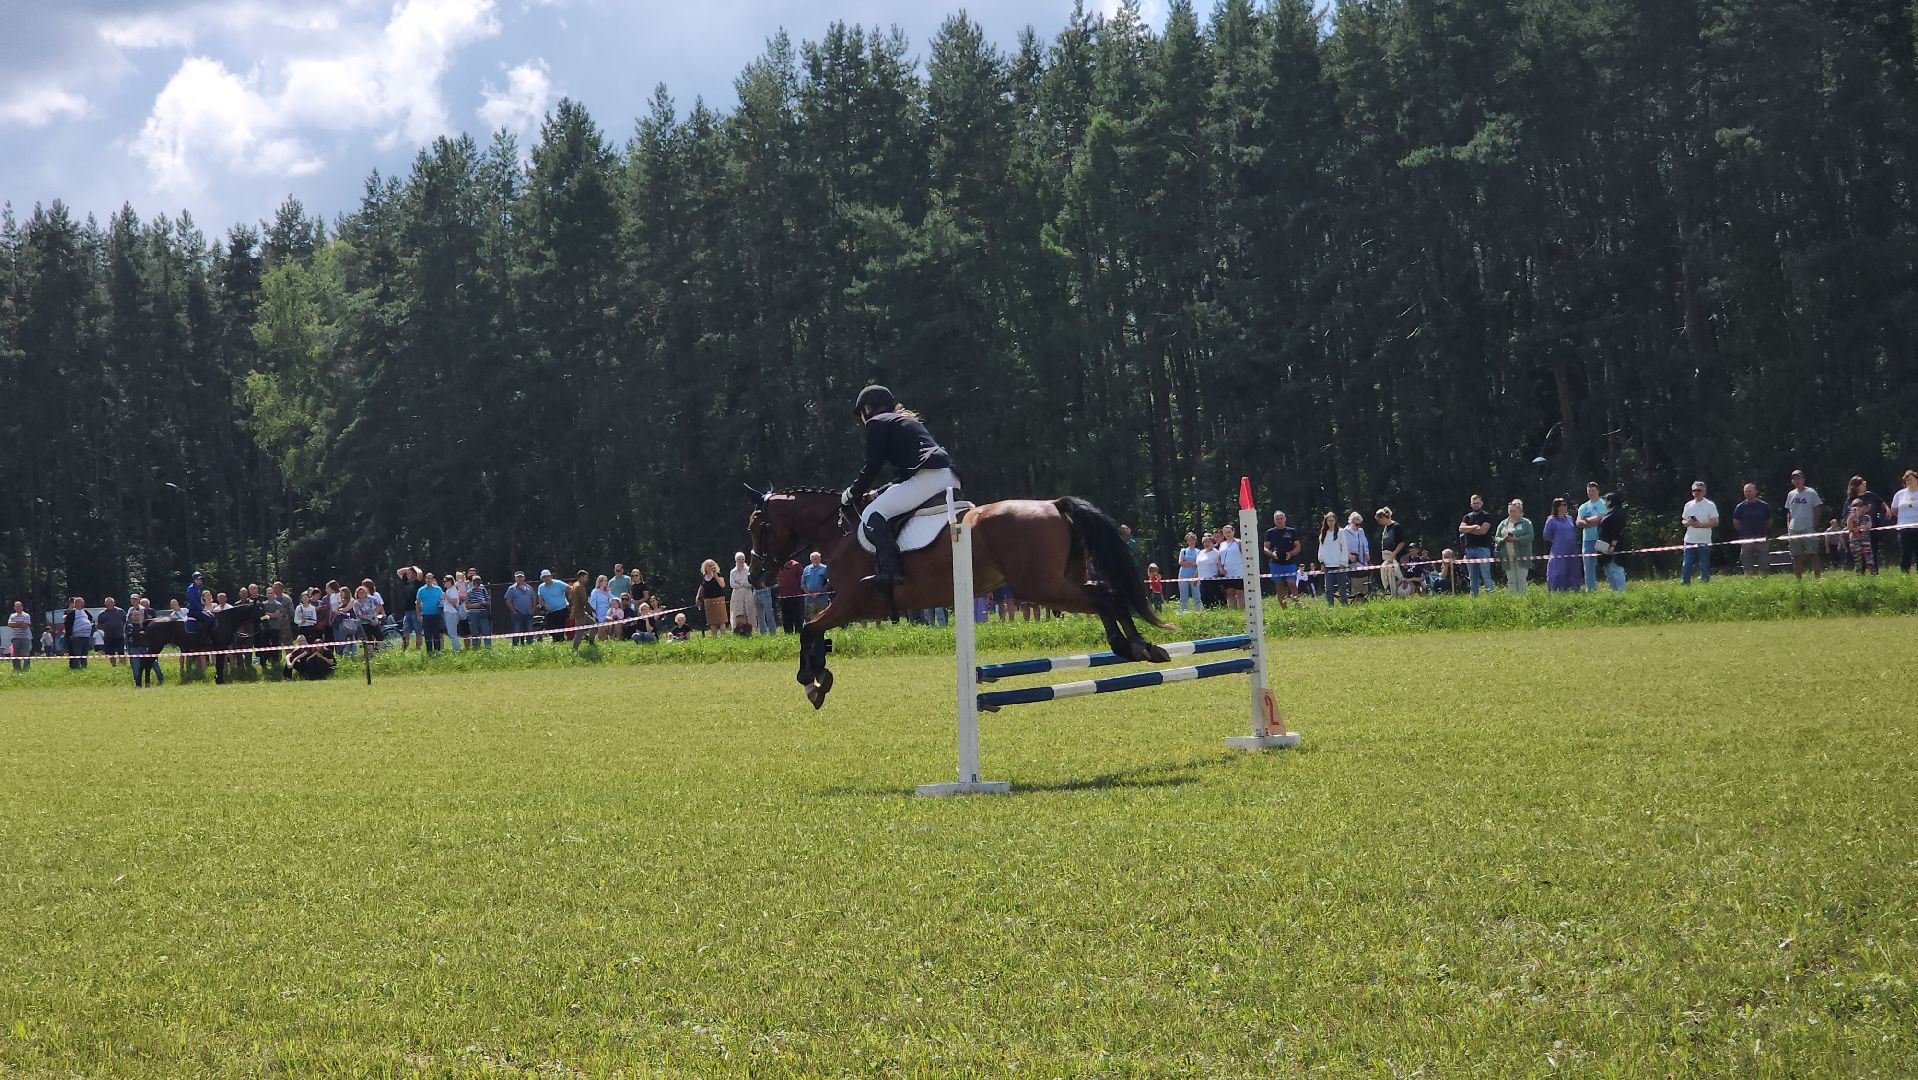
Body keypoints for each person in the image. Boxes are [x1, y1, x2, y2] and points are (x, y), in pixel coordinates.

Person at [839, 385, 959, 593]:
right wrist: (881, 491)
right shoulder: (907, 421)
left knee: (872, 514)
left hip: (928, 479)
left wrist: (852, 492)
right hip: (949, 477)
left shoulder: (877, 422)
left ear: (867, 408)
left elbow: (872, 466)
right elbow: (907, 475)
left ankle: (891, 571)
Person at [1783, 470, 1824, 579]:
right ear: (1792, 481)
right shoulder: (1791, 494)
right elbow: (1789, 512)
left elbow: (1817, 509)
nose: (1797, 481)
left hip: (1808, 528)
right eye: (1794, 479)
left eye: (1799, 478)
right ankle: (1798, 580)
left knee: (1812, 554)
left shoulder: (1811, 492)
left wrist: (1814, 526)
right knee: (1796, 556)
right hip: (1794, 529)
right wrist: (1789, 527)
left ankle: (1818, 579)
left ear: (1803, 480)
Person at [1680, 481, 1719, 585]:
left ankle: (1705, 585)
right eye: (1694, 490)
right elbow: (1683, 520)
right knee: (1687, 564)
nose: (1696, 492)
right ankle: (1684, 584)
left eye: (1699, 490)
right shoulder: (1688, 505)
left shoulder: (1710, 505)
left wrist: (1700, 525)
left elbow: (1715, 521)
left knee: (1704, 565)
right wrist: (1688, 523)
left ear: (1704, 492)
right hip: (1689, 540)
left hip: (1704, 540)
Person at [1459, 494, 1496, 597]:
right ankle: (1474, 597)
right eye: (1474, 503)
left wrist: (1468, 529)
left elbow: (1482, 531)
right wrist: (1475, 526)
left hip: (1483, 549)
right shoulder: (1467, 517)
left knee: (1486, 575)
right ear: (1471, 504)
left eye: (1478, 503)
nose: (1476, 505)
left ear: (1481, 503)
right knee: (1472, 577)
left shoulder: (1486, 516)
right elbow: (1461, 529)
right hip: (1469, 550)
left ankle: (1491, 597)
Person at [1495, 499, 1535, 594]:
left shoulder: (1526, 523)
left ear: (1520, 511)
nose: (1511, 513)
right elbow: (1496, 537)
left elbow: (1530, 536)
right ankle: (1513, 600)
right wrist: (1502, 539)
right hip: (1507, 556)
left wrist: (1517, 539)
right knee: (1511, 580)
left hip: (1522, 555)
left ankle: (1522, 600)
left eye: (1514, 511)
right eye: (1510, 511)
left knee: (1521, 580)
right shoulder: (1503, 523)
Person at [1542, 497, 1581, 592]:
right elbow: (1546, 535)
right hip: (1559, 548)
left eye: (1565, 505)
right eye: (1563, 505)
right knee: (1558, 571)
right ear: (1558, 507)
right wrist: (1557, 540)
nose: (1565, 507)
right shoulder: (1551, 520)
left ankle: (1572, 588)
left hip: (1571, 548)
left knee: (1572, 568)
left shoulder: (1569, 518)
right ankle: (1555, 589)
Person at [1731, 483, 1771, 575]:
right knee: (1746, 562)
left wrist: (1762, 530)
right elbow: (1736, 522)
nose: (1747, 493)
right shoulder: (1740, 507)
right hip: (1746, 539)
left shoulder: (1764, 505)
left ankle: (1764, 579)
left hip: (1761, 538)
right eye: (1745, 491)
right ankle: (1749, 580)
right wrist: (1744, 531)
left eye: (1749, 491)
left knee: (1764, 562)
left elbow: (1769, 521)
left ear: (1756, 492)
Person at [1262, 513, 1300, 609]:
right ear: (1274, 520)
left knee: (1292, 583)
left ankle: (1298, 606)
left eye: (1281, 518)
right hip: (1275, 563)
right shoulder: (1269, 532)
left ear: (1285, 519)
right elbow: (1265, 548)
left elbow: (1298, 547)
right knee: (1279, 585)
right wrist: (1271, 554)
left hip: (1290, 562)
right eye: (1277, 519)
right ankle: (1284, 609)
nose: (1279, 520)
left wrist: (1291, 553)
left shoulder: (1292, 531)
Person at [1575, 481, 1607, 592]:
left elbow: (1600, 519)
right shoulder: (1583, 506)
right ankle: (1591, 589)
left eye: (1593, 491)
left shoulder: (1603, 504)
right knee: (1588, 566)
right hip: (1587, 540)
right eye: (1589, 491)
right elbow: (1578, 523)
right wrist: (1592, 522)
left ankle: (1615, 588)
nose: (1591, 493)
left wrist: (1586, 521)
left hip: (1602, 538)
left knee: (1607, 563)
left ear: (1598, 491)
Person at [1596, 491, 1628, 591]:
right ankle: (1614, 592)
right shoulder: (1609, 513)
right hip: (1603, 545)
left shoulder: (1618, 513)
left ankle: (1621, 591)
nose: (1604, 502)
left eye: (1605, 500)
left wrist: (1613, 545)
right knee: (1608, 569)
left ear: (1610, 501)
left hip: (1612, 546)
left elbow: (1617, 531)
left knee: (1616, 569)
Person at [1317, 513, 1349, 606]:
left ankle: (1344, 606)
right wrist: (1322, 563)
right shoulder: (1323, 533)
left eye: (1332, 520)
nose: (1331, 522)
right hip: (1328, 565)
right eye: (1329, 520)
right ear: (1326, 522)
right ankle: (1330, 607)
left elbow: (1345, 548)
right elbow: (1321, 549)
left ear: (1335, 521)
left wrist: (1343, 563)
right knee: (1328, 589)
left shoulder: (1341, 532)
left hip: (1339, 564)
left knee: (1342, 587)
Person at [1375, 508, 1405, 597]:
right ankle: (1392, 595)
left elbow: (1401, 542)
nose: (1379, 522)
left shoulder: (1396, 526)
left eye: (1379, 520)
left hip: (1397, 557)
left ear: (1383, 517)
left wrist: (1394, 554)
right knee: (1388, 579)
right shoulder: (1385, 529)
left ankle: (1400, 596)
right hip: (1387, 558)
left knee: (1398, 578)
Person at [1893, 470, 1918, 573]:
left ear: (1916, 480)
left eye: (1911, 479)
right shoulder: (1899, 494)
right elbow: (1894, 510)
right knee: (1905, 553)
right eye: (1907, 480)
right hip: (1904, 528)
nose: (1909, 482)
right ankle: (1904, 575)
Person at [535, 569, 570, 642]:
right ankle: (556, 639)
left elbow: (570, 589)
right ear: (542, 578)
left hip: (561, 609)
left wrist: (569, 600)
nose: (546, 578)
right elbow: (540, 599)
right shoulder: (541, 587)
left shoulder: (558, 583)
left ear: (551, 576)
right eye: (544, 577)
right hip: (550, 611)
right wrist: (545, 605)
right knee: (548, 626)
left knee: (560, 627)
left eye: (548, 576)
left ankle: (559, 641)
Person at [695, 560, 727, 638]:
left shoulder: (718, 575)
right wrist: (698, 597)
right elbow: (701, 587)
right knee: (712, 622)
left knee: (721, 621)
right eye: (708, 566)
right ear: (705, 567)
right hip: (708, 601)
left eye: (712, 565)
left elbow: (723, 585)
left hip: (719, 600)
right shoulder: (703, 577)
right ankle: (714, 637)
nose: (710, 567)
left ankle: (724, 638)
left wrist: (716, 577)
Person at [392, 566, 422, 650]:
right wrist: (408, 569)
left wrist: (413, 567)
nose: (407, 574)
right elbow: (398, 572)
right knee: (406, 631)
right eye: (407, 573)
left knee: (418, 631)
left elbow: (420, 573)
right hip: (407, 611)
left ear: (414, 574)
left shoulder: (417, 582)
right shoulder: (405, 582)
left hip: (416, 610)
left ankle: (418, 649)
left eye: (409, 573)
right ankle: (404, 649)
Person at [1339, 513, 1369, 593]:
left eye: (1360, 524)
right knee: (1354, 579)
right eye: (1356, 524)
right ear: (1351, 522)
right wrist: (1348, 555)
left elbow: (1365, 543)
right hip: (1349, 561)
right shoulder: (1343, 532)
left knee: (1364, 576)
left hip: (1361, 560)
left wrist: (1367, 553)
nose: (1358, 526)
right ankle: (1353, 595)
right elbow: (1340, 547)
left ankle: (1363, 595)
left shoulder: (1361, 531)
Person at [415, 573, 445, 654]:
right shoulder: (421, 590)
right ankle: (429, 652)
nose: (429, 580)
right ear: (425, 579)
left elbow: (442, 601)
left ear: (433, 579)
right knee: (427, 634)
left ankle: (437, 652)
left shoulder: (438, 589)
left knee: (436, 634)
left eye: (430, 578)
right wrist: (418, 615)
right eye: (427, 578)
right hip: (426, 615)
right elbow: (418, 603)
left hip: (436, 615)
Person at [1218, 524, 1246, 609]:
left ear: (1233, 532)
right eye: (1225, 532)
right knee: (1229, 593)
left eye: (1229, 532)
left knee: (1240, 592)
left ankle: (1242, 610)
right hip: (1227, 572)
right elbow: (1219, 558)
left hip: (1239, 571)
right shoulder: (1222, 544)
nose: (1228, 534)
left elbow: (1246, 555)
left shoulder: (1239, 542)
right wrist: (1221, 568)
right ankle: (1233, 612)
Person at [727, 553, 755, 633]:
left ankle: (751, 630)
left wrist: (740, 583)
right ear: (736, 560)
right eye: (739, 559)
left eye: (742, 559)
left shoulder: (748, 570)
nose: (740, 561)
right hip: (737, 595)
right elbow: (732, 585)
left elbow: (750, 583)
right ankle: (737, 630)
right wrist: (743, 583)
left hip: (747, 594)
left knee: (749, 611)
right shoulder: (733, 572)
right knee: (737, 612)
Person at [504, 572, 535, 643]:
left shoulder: (529, 588)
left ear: (524, 578)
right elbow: (508, 601)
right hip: (517, 614)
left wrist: (533, 609)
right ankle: (515, 646)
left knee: (529, 630)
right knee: (516, 630)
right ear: (515, 578)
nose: (520, 578)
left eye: (521, 577)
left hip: (528, 613)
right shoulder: (511, 588)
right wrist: (514, 611)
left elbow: (533, 598)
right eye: (518, 577)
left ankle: (530, 645)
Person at [568, 571, 596, 650]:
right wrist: (592, 610)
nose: (587, 579)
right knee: (579, 632)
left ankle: (591, 641)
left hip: (579, 611)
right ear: (581, 577)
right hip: (579, 612)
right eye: (586, 577)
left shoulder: (575, 585)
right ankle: (574, 649)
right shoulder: (580, 587)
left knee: (593, 624)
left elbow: (570, 598)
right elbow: (584, 601)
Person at [1847, 498, 1875, 573]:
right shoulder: (1850, 517)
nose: (1857, 508)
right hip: (1854, 540)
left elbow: (1869, 526)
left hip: (1865, 540)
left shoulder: (1867, 517)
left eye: (1859, 506)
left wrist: (1860, 527)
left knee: (1869, 559)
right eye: (1855, 506)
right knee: (1858, 560)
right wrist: (1853, 518)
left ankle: (1873, 575)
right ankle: (1859, 576)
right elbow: (1850, 528)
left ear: (1863, 507)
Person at [777, 558, 805, 633]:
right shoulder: (779, 566)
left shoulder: (796, 565)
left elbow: (801, 580)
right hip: (783, 596)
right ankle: (788, 633)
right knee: (786, 617)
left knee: (797, 616)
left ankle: (799, 632)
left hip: (796, 595)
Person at [1194, 533, 1223, 608]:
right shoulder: (1200, 553)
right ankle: (1207, 610)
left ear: (1212, 542)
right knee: (1204, 596)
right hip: (1202, 579)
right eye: (1205, 542)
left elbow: (1219, 565)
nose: (1206, 543)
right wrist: (1195, 577)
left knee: (1212, 597)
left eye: (1208, 541)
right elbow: (1198, 566)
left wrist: (1218, 573)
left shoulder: (1216, 553)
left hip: (1212, 579)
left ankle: (1215, 610)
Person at [464, 570, 492, 646]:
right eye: (475, 582)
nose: (477, 583)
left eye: (478, 581)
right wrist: (476, 605)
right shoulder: (469, 592)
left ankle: (488, 648)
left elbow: (488, 601)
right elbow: (467, 605)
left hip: (483, 613)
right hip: (473, 614)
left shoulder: (483, 590)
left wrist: (483, 603)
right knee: (475, 632)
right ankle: (476, 648)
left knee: (486, 631)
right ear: (472, 583)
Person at [64, 597, 93, 669]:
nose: (80, 604)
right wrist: (70, 634)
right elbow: (67, 625)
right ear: (75, 604)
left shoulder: (85, 612)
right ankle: (75, 667)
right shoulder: (72, 613)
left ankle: (84, 667)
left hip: (86, 636)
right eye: (78, 603)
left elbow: (90, 618)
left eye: (81, 602)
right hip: (76, 636)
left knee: (84, 652)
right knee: (77, 652)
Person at [95, 597, 126, 665]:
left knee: (121, 652)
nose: (109, 604)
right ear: (105, 604)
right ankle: (113, 666)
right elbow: (98, 626)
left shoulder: (121, 611)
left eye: (110, 602)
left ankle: (123, 666)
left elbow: (125, 622)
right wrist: (104, 626)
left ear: (114, 603)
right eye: (107, 603)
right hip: (108, 637)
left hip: (119, 636)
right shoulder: (102, 614)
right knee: (111, 654)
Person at [1176, 531, 1201, 613]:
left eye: (1192, 540)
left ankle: (1198, 611)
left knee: (1196, 594)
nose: (1191, 542)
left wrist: (1187, 563)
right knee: (1183, 595)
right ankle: (1183, 611)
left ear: (1195, 540)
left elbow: (1197, 563)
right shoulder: (1183, 551)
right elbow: (1180, 562)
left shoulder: (1198, 551)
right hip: (1183, 575)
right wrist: (1192, 563)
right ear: (1187, 541)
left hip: (1194, 575)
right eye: (1189, 540)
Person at [801, 553, 830, 619]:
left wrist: (819, 593)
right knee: (810, 620)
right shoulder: (806, 569)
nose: (817, 560)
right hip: (809, 600)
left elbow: (829, 583)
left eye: (818, 558)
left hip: (822, 600)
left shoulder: (825, 568)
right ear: (811, 560)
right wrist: (809, 594)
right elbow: (803, 584)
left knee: (823, 619)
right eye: (815, 559)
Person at [185, 570, 212, 634]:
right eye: (198, 579)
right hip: (193, 610)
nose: (200, 581)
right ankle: (203, 634)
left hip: (199, 609)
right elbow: (193, 601)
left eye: (200, 579)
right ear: (194, 580)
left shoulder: (200, 587)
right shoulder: (191, 589)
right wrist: (202, 608)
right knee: (208, 618)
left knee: (212, 616)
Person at [7, 601, 30, 671]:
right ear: (14, 608)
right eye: (16, 607)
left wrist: (15, 624)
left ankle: (26, 668)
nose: (18, 608)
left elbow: (25, 626)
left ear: (22, 607)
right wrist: (20, 623)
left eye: (19, 606)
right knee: (15, 653)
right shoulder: (12, 615)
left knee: (26, 653)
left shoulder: (26, 615)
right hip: (15, 637)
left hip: (25, 637)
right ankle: (17, 669)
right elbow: (9, 624)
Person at [589, 574, 614, 640]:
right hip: (599, 614)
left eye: (607, 581)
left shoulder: (607, 592)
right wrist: (594, 615)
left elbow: (613, 599)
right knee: (602, 633)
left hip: (608, 612)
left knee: (610, 623)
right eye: (605, 581)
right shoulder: (595, 591)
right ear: (600, 582)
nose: (606, 582)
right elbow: (593, 603)